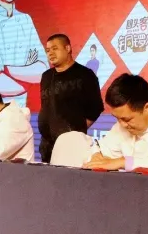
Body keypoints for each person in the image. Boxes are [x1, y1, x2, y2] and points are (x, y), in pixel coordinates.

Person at [38, 34, 104, 162]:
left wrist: (75, 131)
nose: (50, 53)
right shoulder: (46, 76)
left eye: (55, 48)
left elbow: (95, 109)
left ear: (67, 48)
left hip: (71, 147)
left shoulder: (85, 75)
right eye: (48, 50)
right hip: (47, 146)